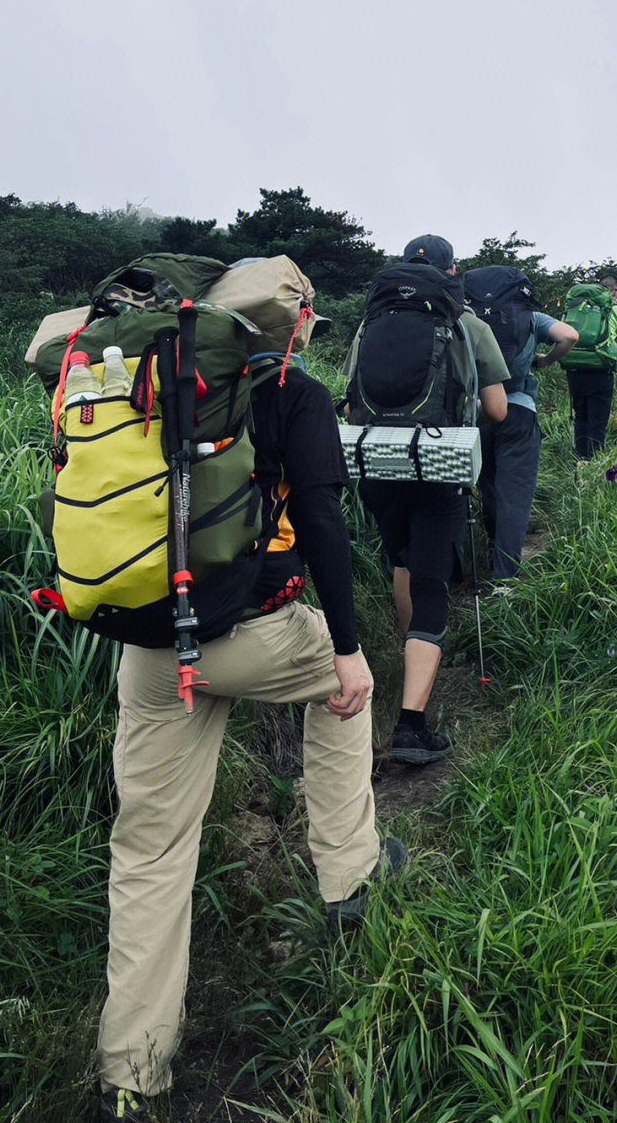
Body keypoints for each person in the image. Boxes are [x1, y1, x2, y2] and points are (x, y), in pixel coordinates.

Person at [97, 308, 396, 1121]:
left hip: (154, 645)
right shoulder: (296, 391)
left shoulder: (151, 388)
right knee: (346, 690)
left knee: (151, 850)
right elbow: (325, 522)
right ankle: (346, 870)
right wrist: (348, 645)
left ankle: (132, 1073)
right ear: (294, 328)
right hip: (260, 631)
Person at [345, 235, 509, 766]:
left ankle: (405, 648)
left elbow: (353, 404)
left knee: (402, 559)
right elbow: (499, 409)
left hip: (378, 463)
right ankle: (412, 726)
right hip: (438, 465)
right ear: (451, 270)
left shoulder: (372, 322)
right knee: (433, 579)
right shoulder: (466, 322)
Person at [476, 301, 577, 583]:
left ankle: (490, 548)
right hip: (519, 411)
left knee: (489, 487)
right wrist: (547, 360)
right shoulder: (531, 317)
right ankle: (504, 577)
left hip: (478, 412)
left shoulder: (470, 315)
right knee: (515, 497)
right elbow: (569, 336)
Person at [565, 275, 617, 460]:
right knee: (598, 420)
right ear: (616, 292)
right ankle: (595, 464)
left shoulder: (578, 308)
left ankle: (580, 460)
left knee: (581, 416)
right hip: (600, 370)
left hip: (575, 369)